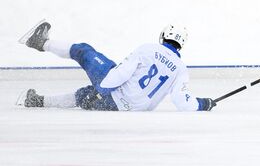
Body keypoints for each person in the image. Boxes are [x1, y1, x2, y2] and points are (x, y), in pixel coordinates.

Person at [18, 21, 217, 112]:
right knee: (84, 96)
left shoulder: (148, 49)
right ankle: (36, 101)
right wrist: (203, 103)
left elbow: (122, 72)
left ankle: (41, 43)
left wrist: (103, 89)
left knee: (84, 51)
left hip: (112, 94)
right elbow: (182, 101)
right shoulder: (181, 69)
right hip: (122, 108)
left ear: (164, 36)